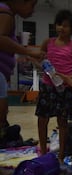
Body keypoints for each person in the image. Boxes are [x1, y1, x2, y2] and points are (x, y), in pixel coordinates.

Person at [35, 10, 72, 161]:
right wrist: (41, 62)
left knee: (62, 122)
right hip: (47, 86)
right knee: (42, 119)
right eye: (59, 24)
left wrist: (69, 78)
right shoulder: (48, 42)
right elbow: (40, 58)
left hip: (65, 89)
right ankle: (44, 153)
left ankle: (61, 154)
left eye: (65, 26)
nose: (61, 28)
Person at [0, 0, 43, 140]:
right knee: (1, 110)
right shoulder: (5, 12)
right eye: (32, 5)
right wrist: (29, 52)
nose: (33, 10)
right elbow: (1, 39)